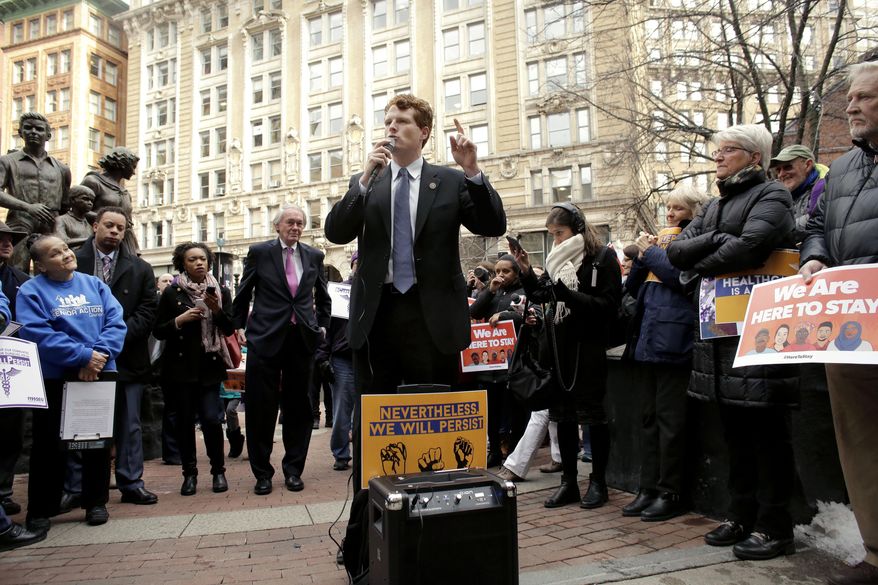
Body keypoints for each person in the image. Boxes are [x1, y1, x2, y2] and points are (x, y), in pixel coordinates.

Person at [324, 94, 506, 489]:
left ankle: (435, 508)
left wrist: (473, 170)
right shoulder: (369, 182)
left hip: (431, 320)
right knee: (374, 427)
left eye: (402, 121)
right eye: (388, 120)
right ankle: (365, 531)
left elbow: (491, 224)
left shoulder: (451, 179)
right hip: (378, 319)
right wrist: (360, 181)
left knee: (433, 420)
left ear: (423, 132)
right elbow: (335, 231)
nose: (391, 127)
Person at [667, 123, 798, 561]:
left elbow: (752, 246)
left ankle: (775, 525)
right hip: (718, 336)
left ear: (755, 157)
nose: (718, 158)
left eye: (728, 151)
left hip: (761, 333)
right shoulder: (715, 204)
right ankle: (740, 514)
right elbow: (676, 251)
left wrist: (713, 254)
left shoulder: (772, 196)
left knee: (766, 433)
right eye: (717, 151)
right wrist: (721, 240)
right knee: (734, 434)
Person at [799, 60, 878, 585]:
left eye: (864, 97)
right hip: (850, 329)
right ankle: (875, 553)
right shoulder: (843, 168)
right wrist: (815, 257)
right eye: (849, 97)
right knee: (859, 438)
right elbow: (818, 227)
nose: (850, 106)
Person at [511, 203, 621, 510]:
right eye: (552, 235)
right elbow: (544, 295)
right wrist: (525, 273)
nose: (556, 240)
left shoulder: (602, 258)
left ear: (577, 228)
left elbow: (608, 305)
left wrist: (564, 292)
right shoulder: (557, 260)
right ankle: (569, 483)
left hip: (587, 348)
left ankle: (598, 482)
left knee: (592, 416)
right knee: (562, 417)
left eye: (559, 233)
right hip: (558, 348)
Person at [17, 235, 126, 532]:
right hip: (56, 377)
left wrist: (98, 357)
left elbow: (116, 321)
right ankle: (42, 508)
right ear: (40, 265)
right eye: (55, 253)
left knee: (97, 442)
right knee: (48, 445)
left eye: (65, 248)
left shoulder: (95, 285)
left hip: (100, 371)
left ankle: (96, 502)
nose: (66, 255)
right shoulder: (31, 291)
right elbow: (36, 332)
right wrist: (81, 357)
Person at [231, 206, 331, 495]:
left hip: (301, 339)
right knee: (261, 406)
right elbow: (243, 291)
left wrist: (321, 327)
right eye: (290, 222)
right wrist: (237, 326)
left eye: (300, 223)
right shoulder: (260, 252)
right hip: (265, 338)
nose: (296, 227)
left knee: (299, 407)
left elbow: (323, 298)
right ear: (278, 226)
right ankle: (262, 473)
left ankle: (293, 470)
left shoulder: (313, 256)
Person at [621, 186, 707, 522]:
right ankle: (648, 487)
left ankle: (671, 491)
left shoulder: (694, 239)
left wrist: (654, 254)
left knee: (671, 423)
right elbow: (632, 288)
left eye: (678, 208)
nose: (670, 214)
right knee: (648, 420)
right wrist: (643, 258)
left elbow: (683, 279)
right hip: (648, 341)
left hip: (676, 342)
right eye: (668, 208)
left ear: (693, 212)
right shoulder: (661, 243)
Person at [75, 207, 159, 505]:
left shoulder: (140, 268)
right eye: (108, 225)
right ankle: (77, 488)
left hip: (126, 358)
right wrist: (89, 349)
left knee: (129, 424)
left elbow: (147, 311)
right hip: (81, 359)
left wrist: (112, 341)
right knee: (80, 426)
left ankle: (130, 481)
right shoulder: (73, 261)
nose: (114, 232)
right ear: (95, 225)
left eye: (120, 228)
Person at [154, 242, 233, 496]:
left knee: (211, 418)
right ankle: (189, 474)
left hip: (209, 366)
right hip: (179, 368)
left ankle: (218, 471)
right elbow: (158, 329)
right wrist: (179, 320)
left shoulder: (220, 290)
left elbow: (230, 328)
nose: (199, 263)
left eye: (203, 258)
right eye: (192, 259)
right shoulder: (172, 292)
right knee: (185, 422)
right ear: (182, 263)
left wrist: (216, 310)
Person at [470, 254, 526, 469]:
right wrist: (489, 291)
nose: (501, 275)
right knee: (491, 412)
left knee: (513, 412)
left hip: (513, 364)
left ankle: (512, 454)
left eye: (506, 271)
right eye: (498, 271)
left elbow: (528, 314)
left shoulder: (522, 292)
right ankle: (494, 451)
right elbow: (474, 311)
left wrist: (504, 315)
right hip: (490, 366)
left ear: (516, 272)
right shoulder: (493, 292)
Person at [0, 113, 72, 271]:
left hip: (50, 224)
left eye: (39, 129)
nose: (33, 132)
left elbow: (65, 205)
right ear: (20, 132)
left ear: (48, 135)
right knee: (15, 270)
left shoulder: (62, 169)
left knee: (53, 271)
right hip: (20, 222)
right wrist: (27, 207)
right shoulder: (7, 161)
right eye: (28, 128)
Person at [315, 252, 358, 471]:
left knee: (367, 410)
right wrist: (322, 357)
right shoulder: (338, 293)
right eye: (358, 263)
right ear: (352, 265)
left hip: (369, 360)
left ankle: (362, 450)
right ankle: (341, 454)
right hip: (343, 358)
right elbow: (326, 327)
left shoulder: (378, 292)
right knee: (342, 409)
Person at [0, 222, 29, 517]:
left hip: (14, 366)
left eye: (10, 239)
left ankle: (4, 491)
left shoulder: (21, 280)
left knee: (11, 431)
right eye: (1, 239)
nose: (7, 244)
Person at [80, 148, 140, 254]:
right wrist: (108, 221)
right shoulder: (93, 181)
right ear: (123, 164)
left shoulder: (126, 193)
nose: (134, 172)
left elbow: (129, 222)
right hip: (98, 242)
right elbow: (79, 210)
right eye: (133, 167)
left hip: (125, 243)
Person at [769, 145, 828, 243]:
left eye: (787, 167)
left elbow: (814, 223)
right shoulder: (777, 193)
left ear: (808, 165)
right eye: (778, 170)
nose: (781, 174)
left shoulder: (825, 189)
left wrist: (774, 231)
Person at [54, 185, 95, 250]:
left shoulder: (89, 224)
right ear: (72, 200)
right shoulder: (61, 220)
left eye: (92, 201)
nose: (90, 203)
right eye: (85, 199)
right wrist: (91, 239)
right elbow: (62, 242)